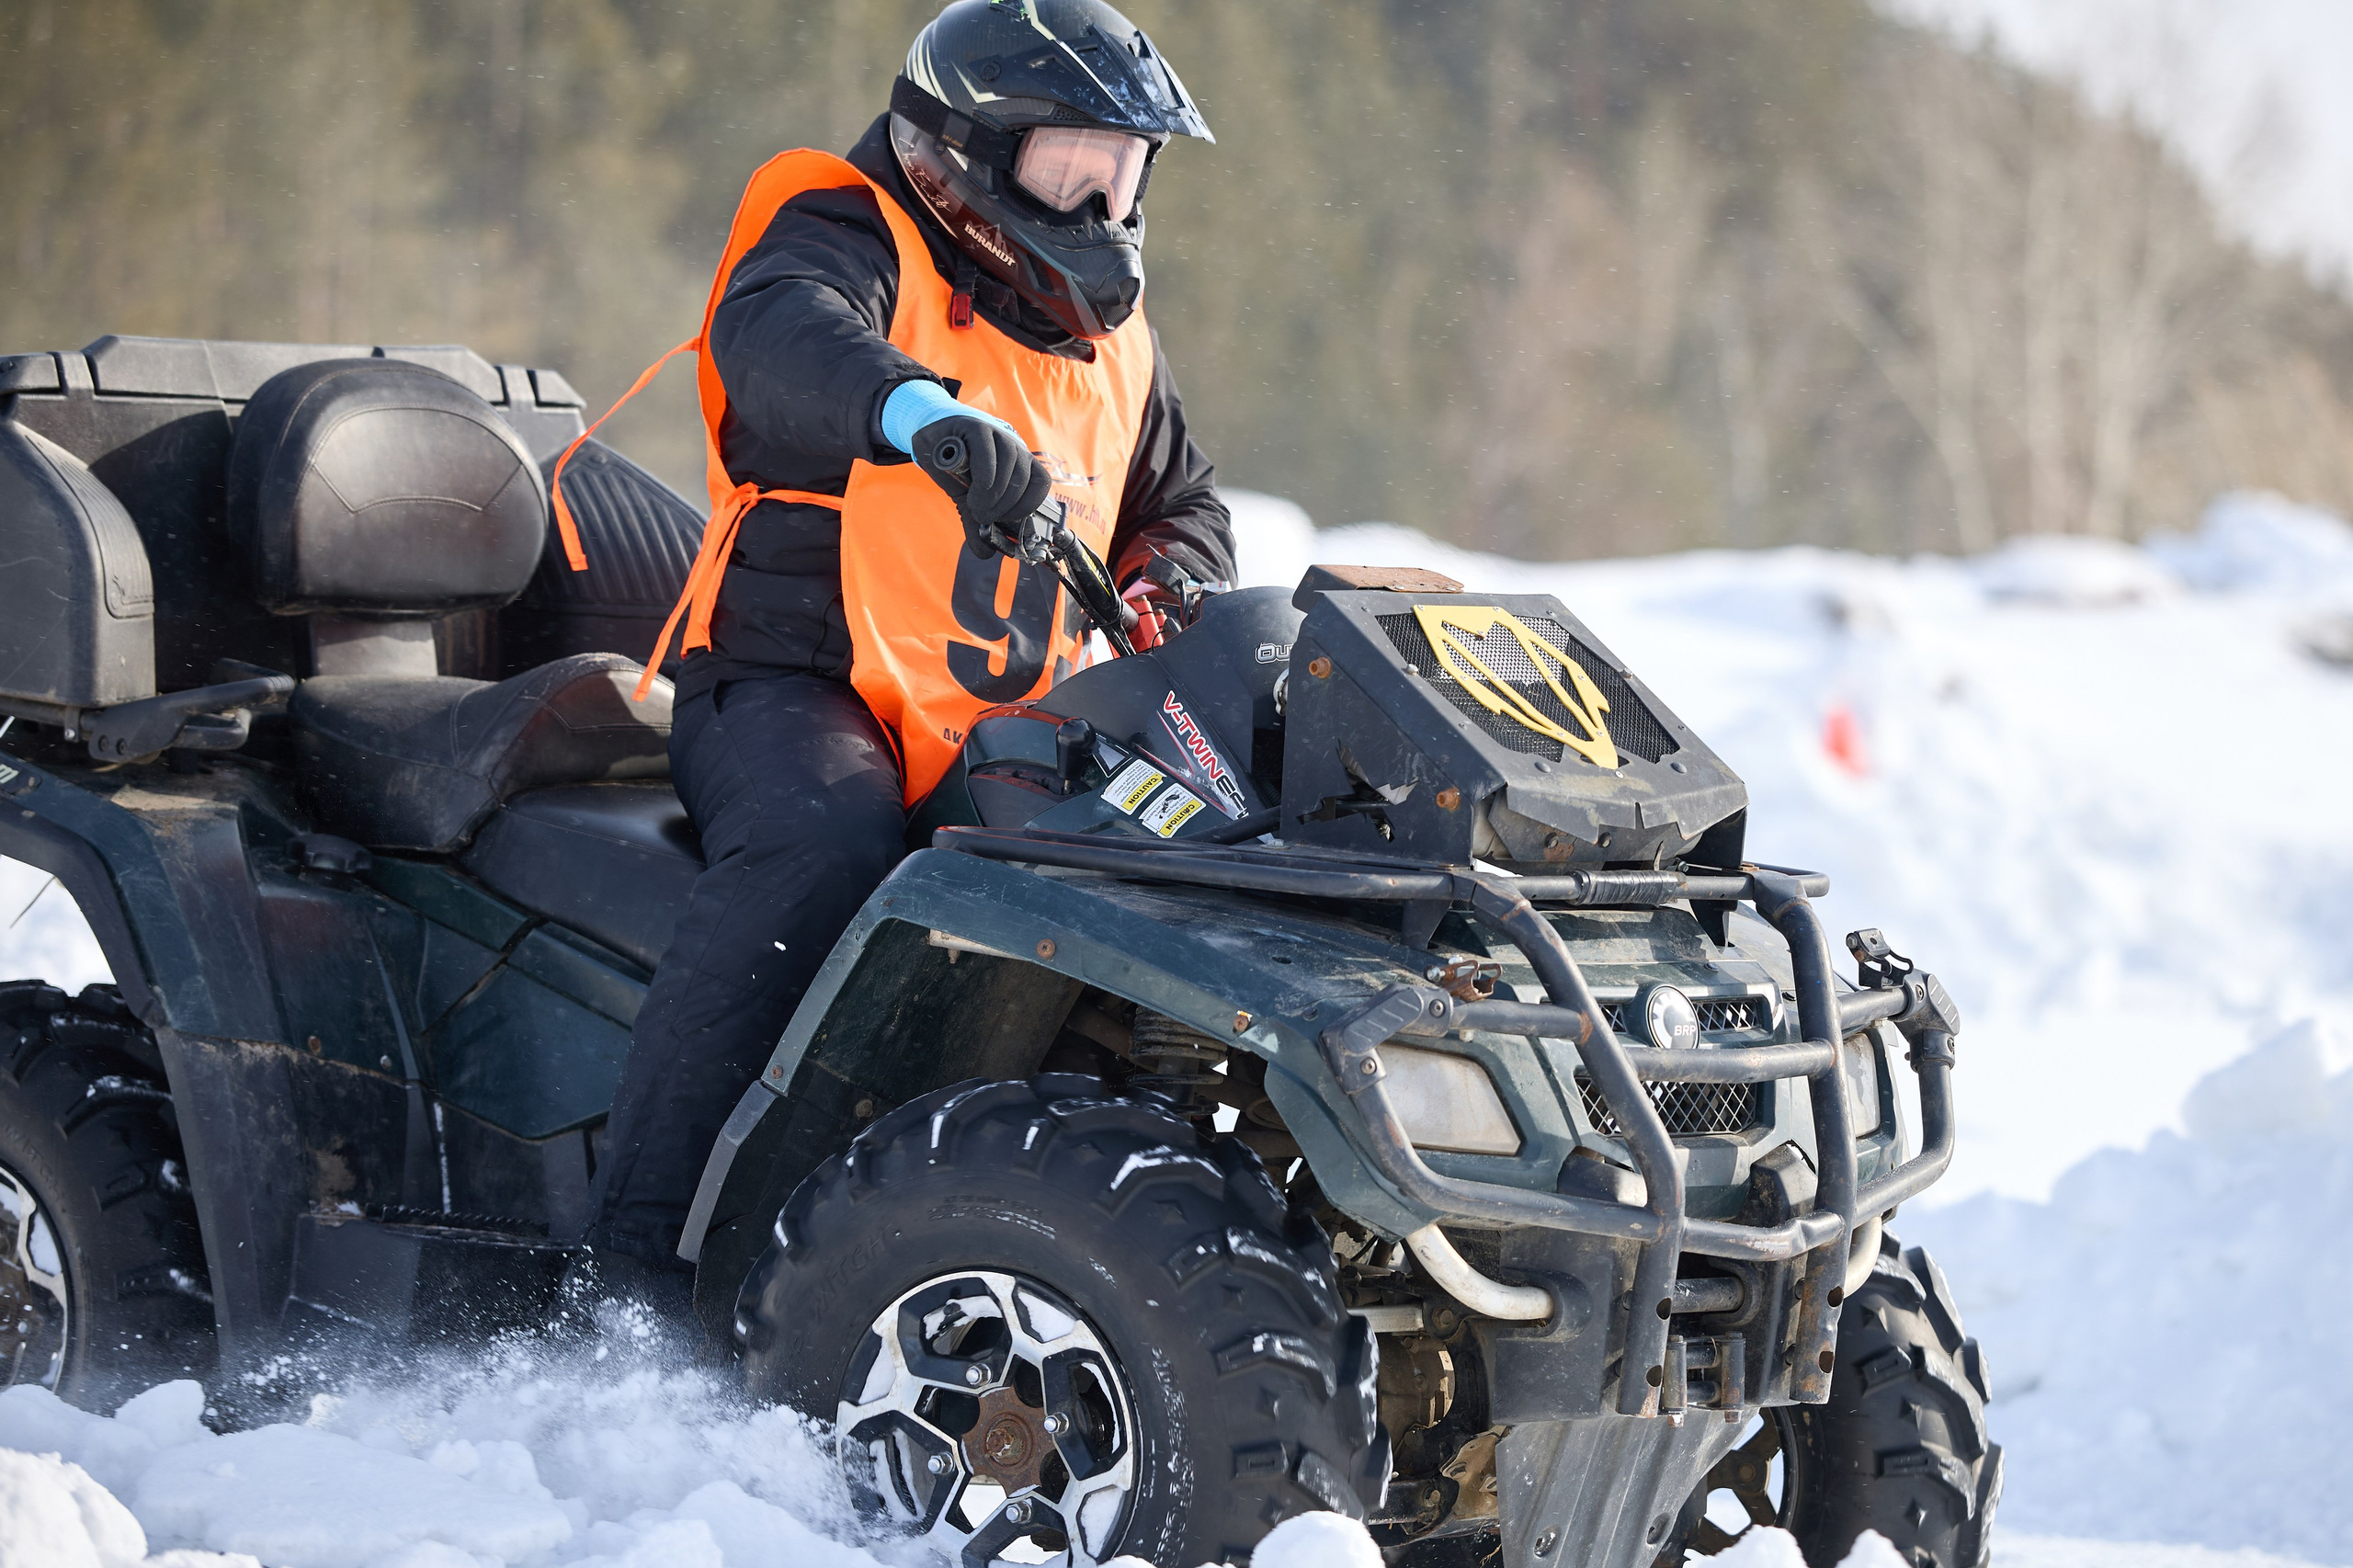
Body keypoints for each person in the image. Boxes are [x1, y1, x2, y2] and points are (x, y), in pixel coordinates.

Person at [562, 0, 1233, 1302]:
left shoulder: (1110, 341)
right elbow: (781, 336)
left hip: (1003, 726)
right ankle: (634, 1277)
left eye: (1125, 167)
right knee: (826, 849)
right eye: (1070, 162)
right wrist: (918, 413)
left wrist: (1169, 580)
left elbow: (1184, 505)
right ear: (972, 150)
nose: (1101, 203)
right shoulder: (844, 224)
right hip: (791, 687)